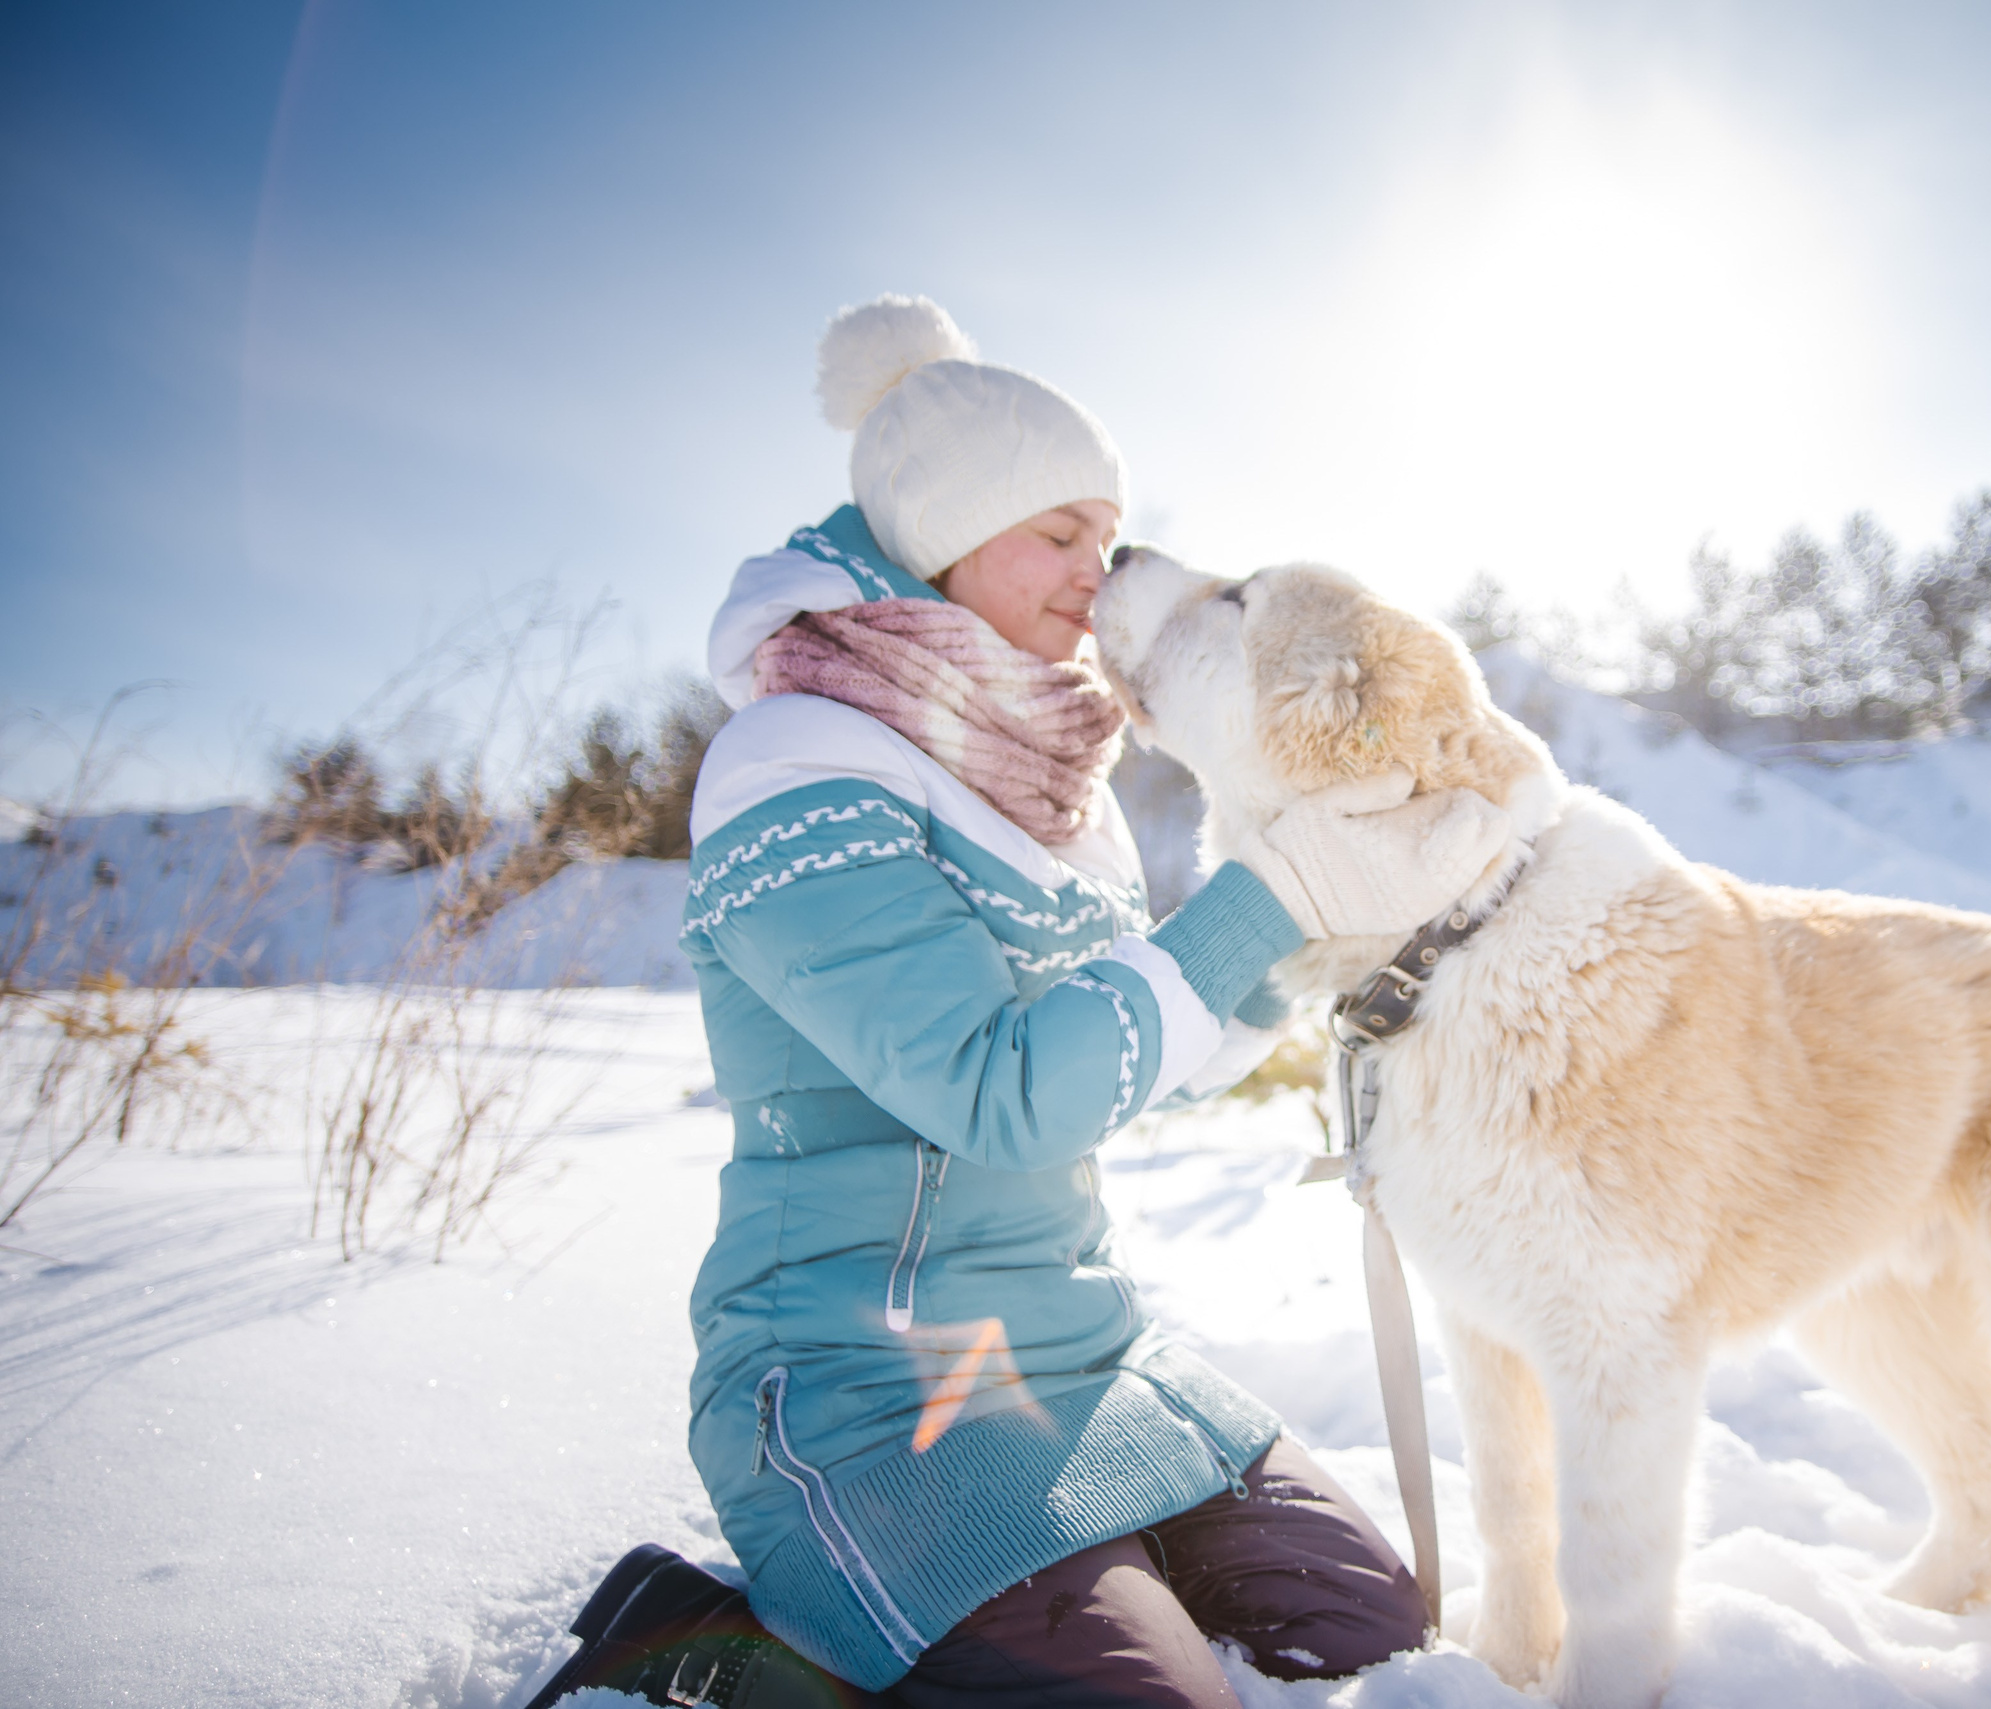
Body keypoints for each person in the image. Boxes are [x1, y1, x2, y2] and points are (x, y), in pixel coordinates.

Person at [534, 296, 1514, 1709]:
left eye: (1105, 537)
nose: (1093, 571)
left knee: (1373, 1634)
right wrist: (1276, 890)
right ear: (942, 530)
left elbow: (1148, 1053)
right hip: (866, 1384)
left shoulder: (1061, 787)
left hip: (1087, 1348)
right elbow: (1002, 1093)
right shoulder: (795, 762)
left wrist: (1327, 954)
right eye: (1058, 532)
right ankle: (709, 1652)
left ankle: (1069, 1586)